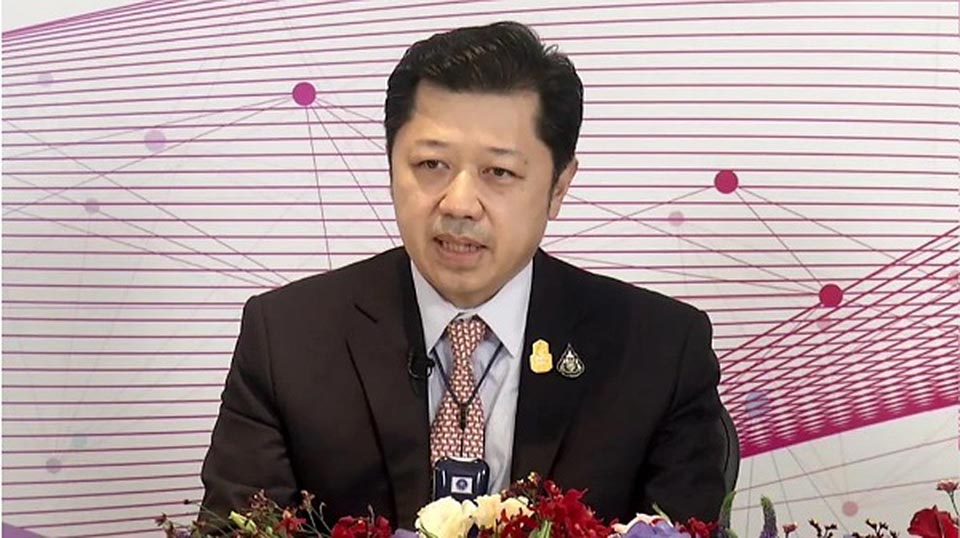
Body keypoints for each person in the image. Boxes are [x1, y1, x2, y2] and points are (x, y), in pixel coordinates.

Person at [201, 21, 726, 530]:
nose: (459, 204)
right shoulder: (287, 339)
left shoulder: (660, 353)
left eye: (499, 172)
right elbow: (236, 525)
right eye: (431, 165)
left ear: (559, 186)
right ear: (391, 166)